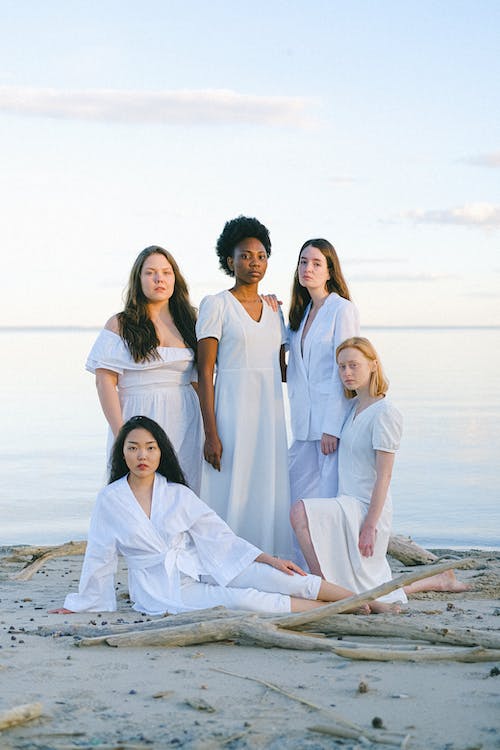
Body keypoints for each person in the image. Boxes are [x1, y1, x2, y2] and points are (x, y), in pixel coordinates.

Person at [51, 416, 399, 616]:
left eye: (150, 447)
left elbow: (217, 535)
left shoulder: (176, 493)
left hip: (203, 563)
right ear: (122, 453)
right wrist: (85, 602)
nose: (142, 455)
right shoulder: (110, 500)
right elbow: (99, 554)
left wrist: (268, 559)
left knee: (280, 578)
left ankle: (371, 602)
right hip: (161, 588)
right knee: (242, 599)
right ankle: (341, 610)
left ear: (161, 453)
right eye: (133, 447)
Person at [290, 337, 468, 601]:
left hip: (365, 509)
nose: (346, 373)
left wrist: (370, 526)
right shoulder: (351, 408)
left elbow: (384, 476)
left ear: (373, 365)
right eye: (341, 367)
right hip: (346, 502)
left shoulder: (385, 413)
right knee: (366, 590)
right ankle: (439, 580)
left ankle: (325, 588)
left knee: (300, 512)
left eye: (354, 365)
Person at [196, 216, 292, 557]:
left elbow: (283, 370)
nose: (254, 262)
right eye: (246, 255)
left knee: (266, 487)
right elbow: (205, 372)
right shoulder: (216, 304)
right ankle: (224, 559)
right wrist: (211, 433)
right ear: (230, 261)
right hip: (232, 411)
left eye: (261, 255)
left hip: (270, 415)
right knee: (230, 488)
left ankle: (268, 558)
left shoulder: (274, 309)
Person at [86, 246, 203, 493]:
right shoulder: (121, 323)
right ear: (139, 280)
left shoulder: (191, 321)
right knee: (138, 490)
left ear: (175, 279)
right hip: (139, 415)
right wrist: (122, 436)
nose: (159, 278)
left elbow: (198, 380)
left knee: (182, 489)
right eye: (150, 272)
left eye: (166, 272)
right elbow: (104, 382)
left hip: (186, 417)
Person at [287, 238, 359, 503]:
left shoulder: (342, 310)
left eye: (317, 263)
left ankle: (329, 546)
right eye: (303, 262)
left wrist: (332, 427)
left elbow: (346, 371)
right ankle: (299, 547)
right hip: (302, 425)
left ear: (330, 271)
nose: (308, 268)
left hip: (329, 428)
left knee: (327, 500)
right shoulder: (299, 314)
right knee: (294, 496)